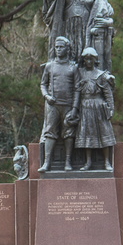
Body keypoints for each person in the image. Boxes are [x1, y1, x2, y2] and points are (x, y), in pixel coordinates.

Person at [43, 0, 114, 71]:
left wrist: (107, 22)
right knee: (68, 61)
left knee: (86, 61)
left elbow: (106, 12)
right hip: (68, 30)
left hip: (87, 30)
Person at [38, 37, 80, 172]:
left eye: (61, 47)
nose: (58, 49)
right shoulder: (50, 66)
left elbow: (77, 89)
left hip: (68, 105)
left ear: (67, 48)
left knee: (68, 133)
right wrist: (46, 96)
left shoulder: (73, 67)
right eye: (56, 47)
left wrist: (74, 108)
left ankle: (68, 162)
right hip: (52, 105)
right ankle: (46, 163)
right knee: (49, 132)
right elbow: (43, 84)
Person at [75, 47, 116, 171]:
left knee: (104, 133)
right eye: (86, 59)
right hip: (85, 106)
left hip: (99, 107)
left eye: (91, 59)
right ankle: (88, 162)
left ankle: (107, 162)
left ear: (95, 60)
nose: (88, 61)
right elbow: (75, 90)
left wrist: (111, 108)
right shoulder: (79, 73)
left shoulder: (101, 75)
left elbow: (108, 93)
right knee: (87, 134)